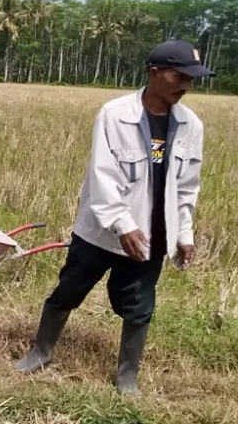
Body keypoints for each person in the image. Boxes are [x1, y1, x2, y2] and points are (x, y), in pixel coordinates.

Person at [15, 40, 210, 395]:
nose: (186, 86)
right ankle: (41, 352)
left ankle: (127, 376)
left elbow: (187, 187)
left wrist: (184, 234)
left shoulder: (191, 125)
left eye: (191, 79)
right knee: (68, 290)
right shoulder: (115, 114)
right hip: (100, 233)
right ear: (154, 74)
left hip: (152, 236)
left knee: (138, 304)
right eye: (179, 76)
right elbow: (102, 177)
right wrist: (123, 224)